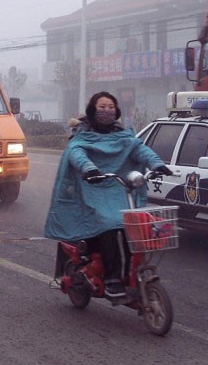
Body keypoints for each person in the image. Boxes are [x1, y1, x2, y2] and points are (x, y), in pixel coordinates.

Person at [44, 92, 172, 299]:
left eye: (110, 106)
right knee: (111, 224)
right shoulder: (82, 136)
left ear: (117, 110)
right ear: (93, 110)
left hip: (120, 189)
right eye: (101, 106)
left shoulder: (123, 136)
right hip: (92, 190)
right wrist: (89, 169)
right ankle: (112, 277)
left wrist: (157, 164)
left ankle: (128, 272)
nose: (106, 110)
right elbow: (77, 154)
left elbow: (140, 150)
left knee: (132, 225)